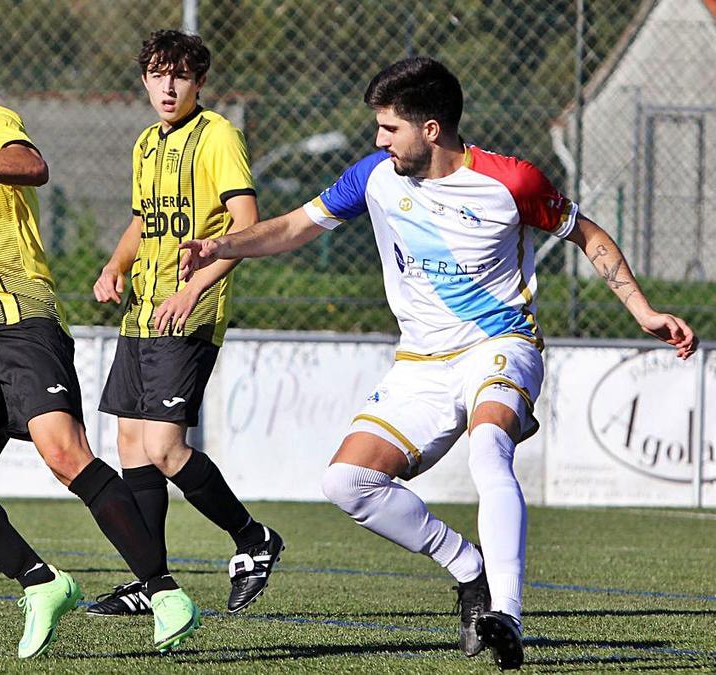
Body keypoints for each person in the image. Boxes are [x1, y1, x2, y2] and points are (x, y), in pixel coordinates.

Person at [179, 57, 697, 670]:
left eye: (389, 128)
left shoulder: (513, 182)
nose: (377, 140)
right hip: (420, 363)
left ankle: (506, 613)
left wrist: (641, 308)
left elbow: (588, 235)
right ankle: (467, 568)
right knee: (345, 483)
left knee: (488, 449)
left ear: (431, 129)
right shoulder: (375, 175)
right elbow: (293, 227)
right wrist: (222, 245)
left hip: (500, 344)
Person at [0, 27, 200, 659]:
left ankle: (165, 592)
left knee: (64, 453)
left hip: (22, 324)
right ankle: (40, 582)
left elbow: (33, 166)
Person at [89, 29, 283, 618]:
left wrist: (196, 285)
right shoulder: (146, 143)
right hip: (143, 310)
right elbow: (143, 224)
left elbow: (247, 226)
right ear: (145, 80)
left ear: (198, 81)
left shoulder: (219, 135)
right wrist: (115, 264)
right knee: (131, 445)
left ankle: (253, 538)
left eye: (179, 75)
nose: (167, 86)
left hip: (191, 310)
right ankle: (153, 582)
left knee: (165, 447)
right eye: (156, 73)